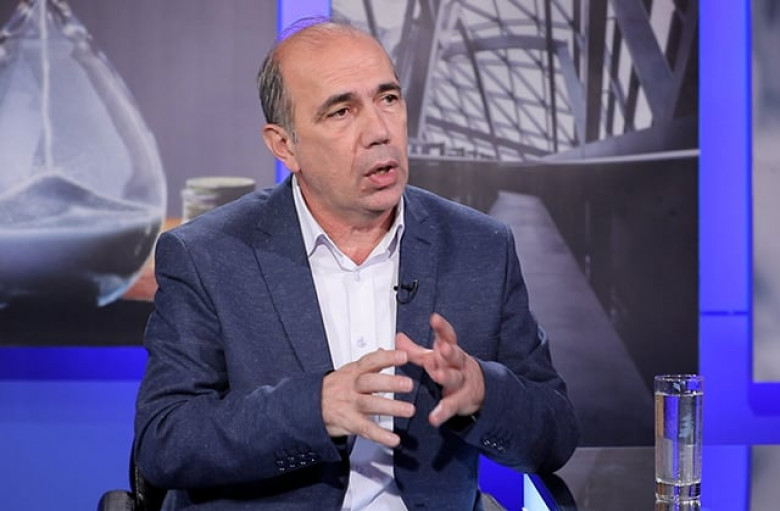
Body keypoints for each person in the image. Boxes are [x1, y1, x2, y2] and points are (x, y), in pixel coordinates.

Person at [134, 18, 579, 510]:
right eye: (342, 111)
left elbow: (555, 434)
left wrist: (482, 394)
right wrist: (315, 409)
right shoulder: (206, 255)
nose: (379, 131)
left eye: (388, 99)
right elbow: (165, 440)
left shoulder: (480, 246)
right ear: (284, 145)